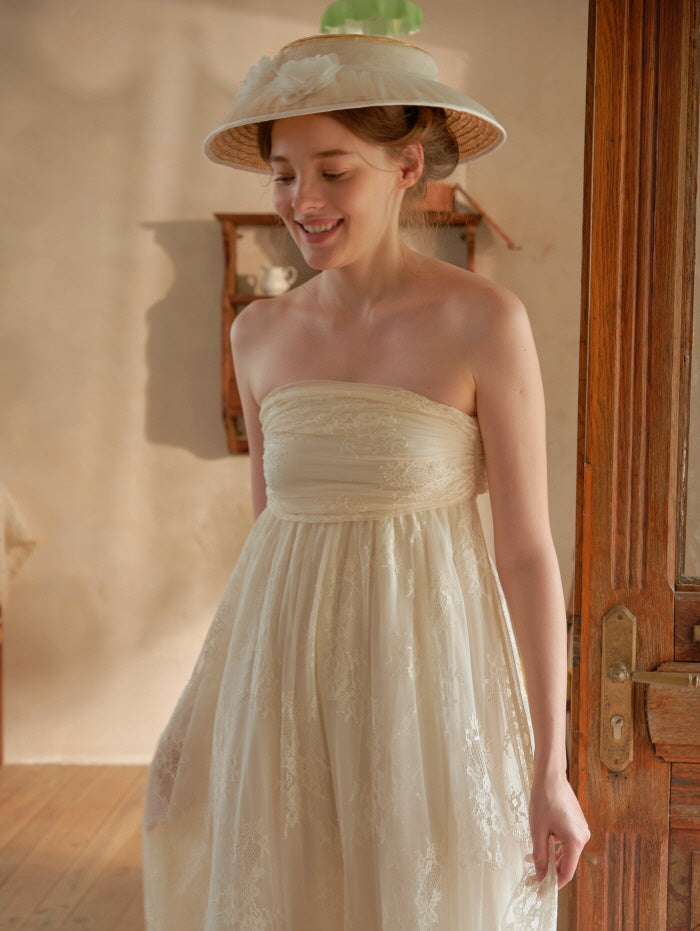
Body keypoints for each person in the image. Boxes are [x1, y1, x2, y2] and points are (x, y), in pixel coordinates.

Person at [142, 33, 589, 930]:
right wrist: (206, 720)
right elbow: (269, 537)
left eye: (333, 171)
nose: (301, 201)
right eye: (282, 174)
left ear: (405, 166)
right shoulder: (258, 334)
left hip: (432, 680)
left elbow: (530, 554)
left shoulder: (483, 320)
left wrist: (550, 766)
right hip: (285, 685)